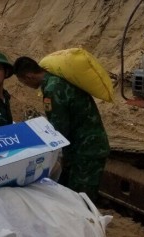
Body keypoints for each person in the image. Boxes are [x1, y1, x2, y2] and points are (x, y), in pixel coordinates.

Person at [13, 56, 110, 201]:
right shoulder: (57, 80)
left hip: (86, 150)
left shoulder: (53, 90)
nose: (25, 85)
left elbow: (58, 130)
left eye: (23, 81)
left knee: (81, 199)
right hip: (86, 146)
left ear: (29, 76)